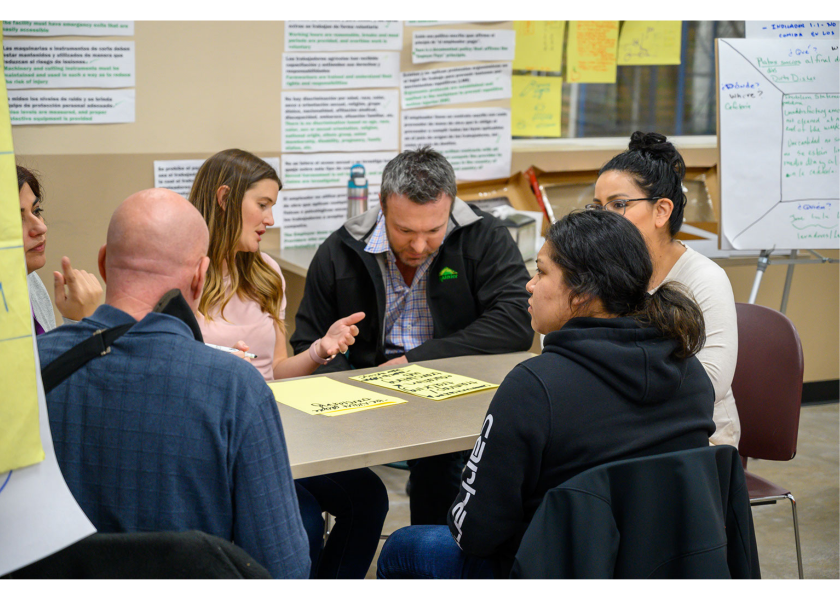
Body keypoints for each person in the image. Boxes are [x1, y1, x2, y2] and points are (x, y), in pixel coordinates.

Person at [376, 210, 717, 580]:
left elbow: (476, 533)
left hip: (550, 566)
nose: (529, 285)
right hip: (657, 566)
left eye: (541, 271)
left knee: (402, 547)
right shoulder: (690, 373)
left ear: (582, 292)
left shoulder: (534, 387)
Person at [37, 189, 310, 580]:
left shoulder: (28, 367)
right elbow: (285, 568)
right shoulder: (234, 389)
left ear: (102, 263)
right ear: (201, 276)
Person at [290, 147, 533, 526]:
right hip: (366, 399)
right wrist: (352, 390)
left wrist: (413, 362)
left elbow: (516, 321)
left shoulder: (484, 237)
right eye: (404, 231)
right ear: (384, 207)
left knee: (448, 469)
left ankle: (427, 552)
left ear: (450, 206)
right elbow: (308, 340)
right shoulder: (340, 250)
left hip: (453, 391)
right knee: (353, 493)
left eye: (433, 231)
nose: (419, 246)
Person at [188, 149, 387, 580]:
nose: (270, 219)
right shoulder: (184, 276)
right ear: (224, 198)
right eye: (262, 205)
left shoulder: (266, 272)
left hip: (276, 430)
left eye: (272, 206)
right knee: (305, 519)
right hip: (221, 439)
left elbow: (276, 370)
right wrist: (216, 364)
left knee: (369, 496)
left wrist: (321, 348)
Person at [589, 131, 740, 448]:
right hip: (618, 424)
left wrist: (612, 386)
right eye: (597, 206)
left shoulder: (704, 277)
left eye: (618, 204)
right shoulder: (600, 270)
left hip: (696, 435)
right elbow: (561, 341)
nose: (604, 218)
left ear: (661, 211)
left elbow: (712, 380)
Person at [17, 165, 101, 333]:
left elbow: (42, 357)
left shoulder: (30, 280)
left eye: (36, 211)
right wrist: (80, 326)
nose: (41, 227)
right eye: (17, 220)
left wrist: (77, 320)